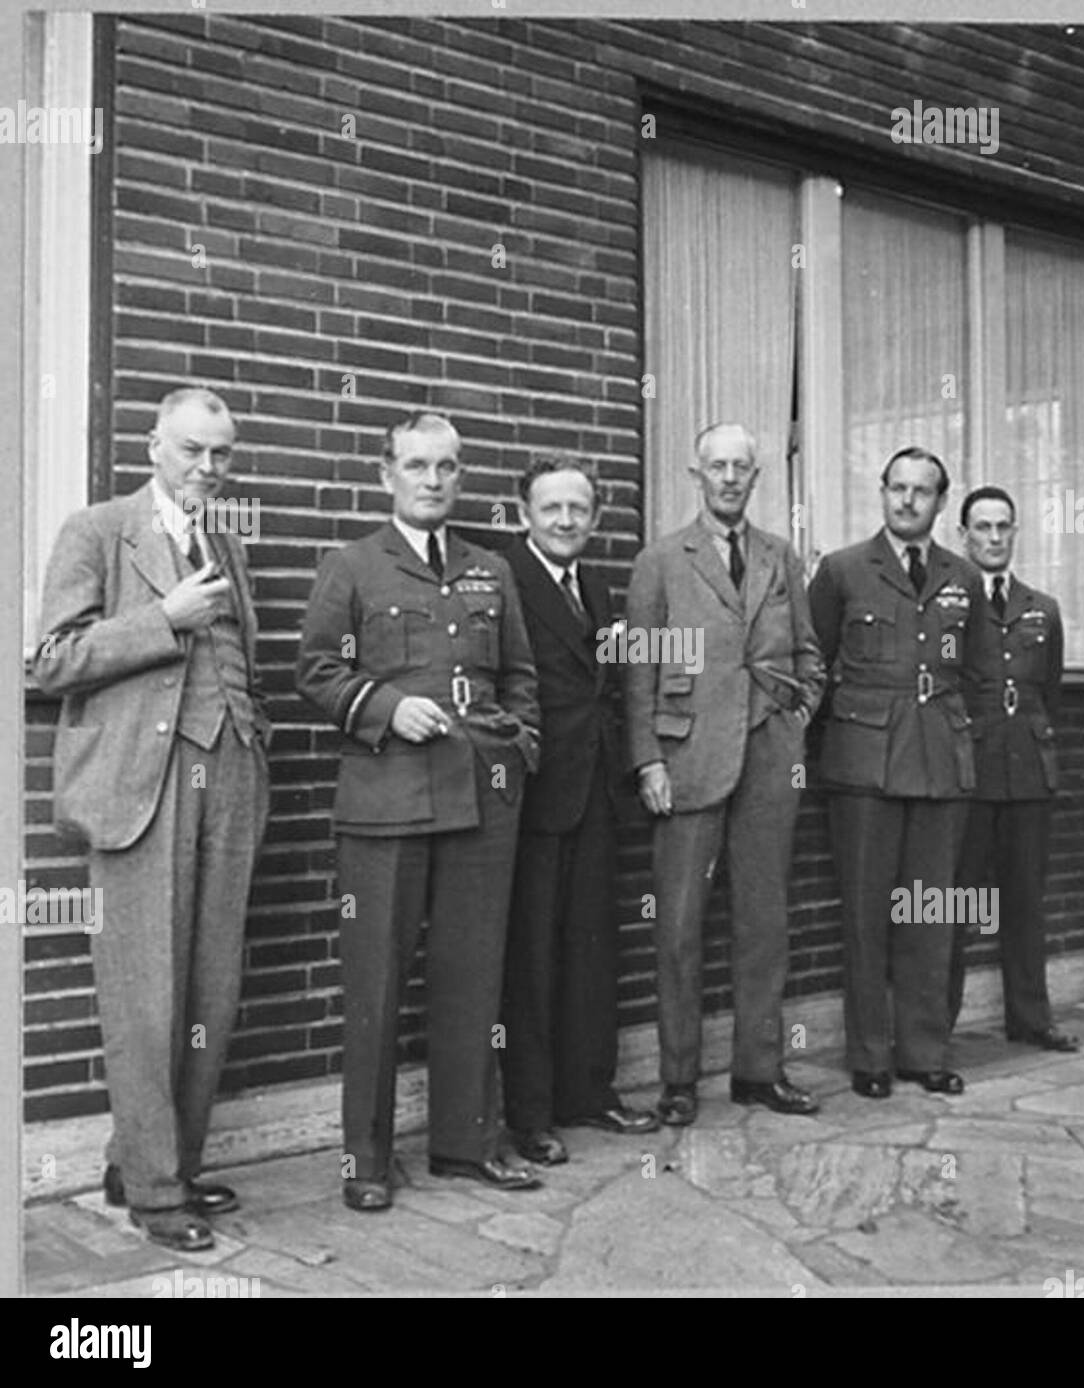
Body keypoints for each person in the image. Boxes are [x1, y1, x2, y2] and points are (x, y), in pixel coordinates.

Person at [33, 386, 271, 1253]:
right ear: (153, 447)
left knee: (212, 986)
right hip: (143, 783)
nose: (208, 468)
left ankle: (156, 1161)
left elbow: (242, 659)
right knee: (144, 995)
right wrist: (161, 621)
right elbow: (52, 661)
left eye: (222, 454)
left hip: (231, 776)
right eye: (192, 451)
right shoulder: (97, 530)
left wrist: (253, 746)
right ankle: (156, 1192)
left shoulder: (227, 544)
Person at [296, 412, 542, 1210]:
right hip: (386, 801)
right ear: (385, 474)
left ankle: (466, 1140)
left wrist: (520, 746)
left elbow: (519, 676)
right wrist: (385, 708)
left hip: (478, 800)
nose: (433, 480)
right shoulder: (352, 566)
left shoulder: (490, 570)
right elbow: (314, 672)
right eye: (416, 466)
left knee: (476, 975)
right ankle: (365, 1160)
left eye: (446, 467)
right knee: (375, 982)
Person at [625, 422, 825, 1127]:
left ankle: (759, 1072)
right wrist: (648, 757)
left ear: (756, 475)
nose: (731, 478)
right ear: (696, 473)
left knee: (765, 922)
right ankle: (679, 1080)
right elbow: (640, 670)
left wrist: (797, 715)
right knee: (679, 928)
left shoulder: (779, 557)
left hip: (770, 758)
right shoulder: (661, 561)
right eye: (718, 466)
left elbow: (808, 654)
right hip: (688, 761)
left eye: (742, 466)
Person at [500, 455, 658, 1166]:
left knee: (593, 947)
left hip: (596, 791)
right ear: (524, 513)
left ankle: (589, 1092)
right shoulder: (506, 578)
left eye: (579, 510)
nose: (566, 521)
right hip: (534, 792)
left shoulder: (595, 583)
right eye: (551, 508)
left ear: (595, 517)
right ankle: (531, 1114)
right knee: (531, 956)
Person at [808, 445, 979, 1099]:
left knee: (929, 916)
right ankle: (870, 1057)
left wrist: (967, 751)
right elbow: (813, 667)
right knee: (865, 917)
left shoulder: (961, 576)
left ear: (941, 501)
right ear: (881, 493)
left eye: (923, 491)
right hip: (865, 769)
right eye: (898, 488)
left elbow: (981, 677)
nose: (908, 501)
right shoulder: (843, 571)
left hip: (940, 766)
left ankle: (924, 1053)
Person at [949, 486, 1076, 1050]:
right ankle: (936, 1024)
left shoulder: (1041, 608)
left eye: (1004, 527)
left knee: (1024, 901)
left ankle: (1030, 1018)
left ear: (1015, 533)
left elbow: (1046, 690)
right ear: (964, 535)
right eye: (983, 527)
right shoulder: (949, 603)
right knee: (957, 903)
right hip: (968, 771)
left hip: (1027, 770)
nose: (994, 538)